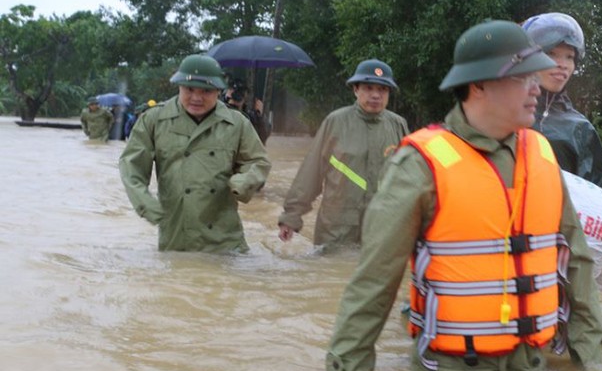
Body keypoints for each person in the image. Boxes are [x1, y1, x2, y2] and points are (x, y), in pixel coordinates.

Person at [326, 20, 602, 371]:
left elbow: (577, 262)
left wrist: (591, 369)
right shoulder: (419, 165)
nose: (536, 88)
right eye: (523, 78)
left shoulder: (541, 155)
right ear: (479, 85)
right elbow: (373, 283)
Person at [119, 54, 271, 252]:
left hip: (225, 239)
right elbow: (131, 165)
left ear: (218, 91)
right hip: (176, 237)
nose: (196, 98)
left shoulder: (237, 123)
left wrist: (243, 183)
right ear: (179, 87)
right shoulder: (155, 120)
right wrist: (144, 202)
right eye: (189, 89)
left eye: (206, 91)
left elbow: (258, 161)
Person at [277, 58, 409, 249]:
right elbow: (311, 172)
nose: (375, 95)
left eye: (382, 89)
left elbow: (410, 179)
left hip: (383, 229)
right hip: (336, 230)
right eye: (369, 88)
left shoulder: (398, 125)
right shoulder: (336, 122)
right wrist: (291, 216)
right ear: (356, 89)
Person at [521, 12, 602, 192]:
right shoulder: (501, 112)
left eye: (569, 57)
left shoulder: (581, 129)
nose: (562, 64)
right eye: (552, 53)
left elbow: (599, 200)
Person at [223, 76, 269, 142]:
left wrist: (259, 116)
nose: (237, 94)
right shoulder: (221, 113)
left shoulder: (249, 118)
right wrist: (227, 101)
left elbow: (261, 140)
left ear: (245, 96)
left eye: (241, 92)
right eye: (235, 91)